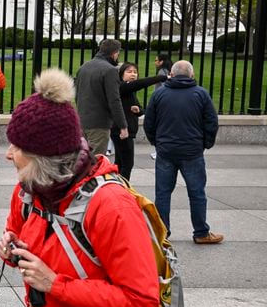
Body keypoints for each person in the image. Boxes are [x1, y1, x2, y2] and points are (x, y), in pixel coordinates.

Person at [0, 68, 159, 307]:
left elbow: (142, 301)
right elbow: (19, 236)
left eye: (18, 147)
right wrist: (11, 249)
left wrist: (55, 284)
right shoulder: (29, 191)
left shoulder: (111, 207)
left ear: (44, 159)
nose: (8, 154)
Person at [144, 60, 222, 244]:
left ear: (171, 74)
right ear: (191, 75)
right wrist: (205, 144)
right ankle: (201, 232)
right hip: (192, 151)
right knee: (197, 193)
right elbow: (211, 122)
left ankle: (162, 232)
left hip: (166, 150)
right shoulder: (200, 94)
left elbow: (149, 123)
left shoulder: (159, 94)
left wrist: (157, 142)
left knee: (162, 193)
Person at [110, 62, 167, 180]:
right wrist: (162, 77)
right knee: (127, 164)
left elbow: (139, 109)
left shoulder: (130, 90)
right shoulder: (121, 86)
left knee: (120, 162)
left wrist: (138, 110)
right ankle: (123, 191)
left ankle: (117, 188)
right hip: (122, 131)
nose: (133, 74)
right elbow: (141, 84)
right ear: (121, 74)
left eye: (135, 72)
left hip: (126, 130)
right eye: (129, 72)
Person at [75, 38, 128, 158]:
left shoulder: (84, 67)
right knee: (95, 163)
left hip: (82, 121)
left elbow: (77, 94)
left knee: (81, 162)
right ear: (115, 53)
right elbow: (114, 100)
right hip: (99, 125)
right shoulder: (110, 70)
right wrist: (123, 126)